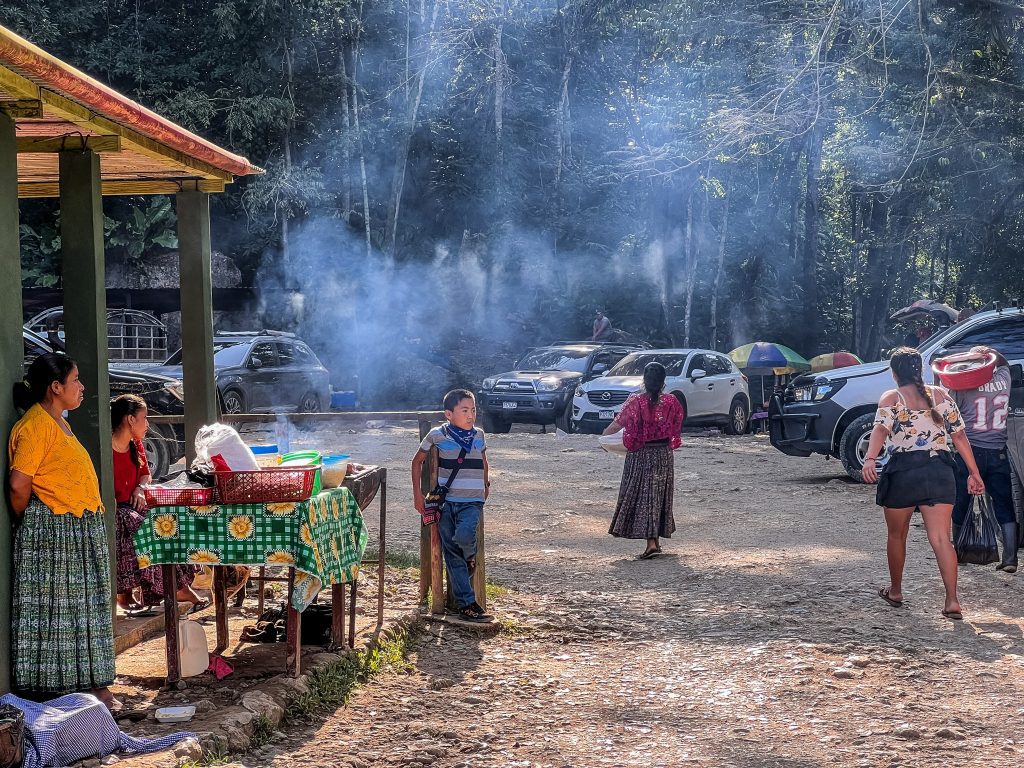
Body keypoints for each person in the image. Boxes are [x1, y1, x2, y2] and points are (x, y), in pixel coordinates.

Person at [7, 354, 117, 709]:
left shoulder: (58, 423)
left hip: (75, 528)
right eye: (76, 380)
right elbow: (18, 484)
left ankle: (90, 691)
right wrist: (33, 521)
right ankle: (68, 692)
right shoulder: (36, 425)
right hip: (53, 531)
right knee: (61, 611)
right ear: (56, 388)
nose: (82, 387)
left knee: (82, 609)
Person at [861, 347, 984, 621]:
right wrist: (974, 473)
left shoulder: (892, 397)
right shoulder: (941, 396)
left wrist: (870, 459)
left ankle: (895, 591)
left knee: (897, 535)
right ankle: (952, 600)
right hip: (939, 469)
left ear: (894, 373)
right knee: (941, 539)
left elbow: (880, 430)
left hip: (903, 472)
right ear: (920, 370)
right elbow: (960, 437)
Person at [110, 394, 205, 614]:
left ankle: (179, 584)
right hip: (116, 509)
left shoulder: (136, 445)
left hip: (136, 503)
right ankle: (137, 591)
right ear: (130, 420)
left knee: (171, 519)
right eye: (144, 418)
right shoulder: (106, 447)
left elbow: (145, 475)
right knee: (146, 527)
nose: (148, 424)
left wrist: (140, 489)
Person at [412, 389, 492, 622]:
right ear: (449, 414)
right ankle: (468, 605)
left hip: (472, 501)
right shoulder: (437, 435)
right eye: (464, 410)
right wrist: (418, 495)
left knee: (466, 536)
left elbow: (484, 461)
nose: (470, 415)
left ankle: (470, 558)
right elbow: (417, 461)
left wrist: (485, 485)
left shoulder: (479, 435)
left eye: (473, 410)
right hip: (446, 503)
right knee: (451, 555)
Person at [603, 362, 684, 559]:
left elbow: (617, 424)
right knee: (657, 497)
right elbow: (676, 424)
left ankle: (651, 544)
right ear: (664, 382)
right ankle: (655, 541)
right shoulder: (672, 402)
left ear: (644, 381)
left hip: (641, 455)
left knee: (644, 498)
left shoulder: (635, 401)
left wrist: (603, 437)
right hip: (664, 455)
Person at [950, 346, 1017, 573]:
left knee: (962, 501)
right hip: (998, 450)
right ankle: (1010, 558)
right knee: (1004, 504)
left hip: (970, 452)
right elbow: (1004, 364)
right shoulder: (1003, 379)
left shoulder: (962, 387)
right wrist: (990, 352)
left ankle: (959, 552)